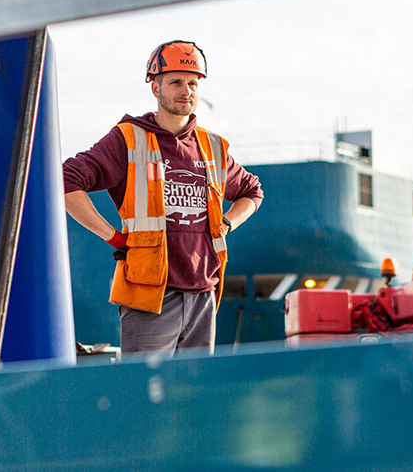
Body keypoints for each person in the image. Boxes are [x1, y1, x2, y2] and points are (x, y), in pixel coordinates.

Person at [63, 40, 263, 355]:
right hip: (150, 296)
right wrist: (112, 236)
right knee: (146, 393)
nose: (186, 90)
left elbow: (252, 191)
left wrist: (226, 223)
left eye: (193, 83)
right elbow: (67, 180)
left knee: (191, 398)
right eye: (176, 82)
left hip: (203, 295)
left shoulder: (213, 147)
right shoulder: (128, 139)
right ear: (156, 89)